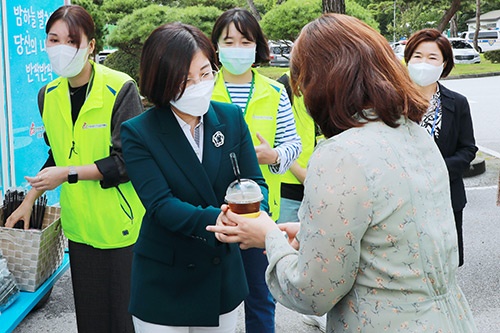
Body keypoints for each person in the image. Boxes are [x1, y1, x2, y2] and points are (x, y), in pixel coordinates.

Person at [207, 13, 478, 333]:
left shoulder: (339, 155)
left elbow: (312, 292)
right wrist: (312, 232)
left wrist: (270, 236)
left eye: (302, 81)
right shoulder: (413, 133)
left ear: (321, 82)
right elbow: (387, 236)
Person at [119, 22, 269, 333]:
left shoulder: (230, 118)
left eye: (205, 73)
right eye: (184, 80)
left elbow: (256, 183)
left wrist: (255, 213)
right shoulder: (138, 132)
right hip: (164, 277)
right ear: (161, 83)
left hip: (220, 272)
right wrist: (225, 221)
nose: (198, 85)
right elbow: (161, 205)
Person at [5, 5, 145, 333]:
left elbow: (127, 163)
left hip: (119, 227)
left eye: (71, 41)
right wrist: (29, 199)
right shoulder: (48, 95)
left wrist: (68, 174)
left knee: (124, 322)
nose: (61, 49)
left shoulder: (120, 88)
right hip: (79, 228)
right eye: (54, 40)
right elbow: (59, 155)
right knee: (92, 321)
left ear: (91, 45)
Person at [210, 8, 301, 333]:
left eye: (244, 41)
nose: (236, 48)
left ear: (257, 46)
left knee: (261, 301)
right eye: (228, 41)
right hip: (212, 212)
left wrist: (272, 154)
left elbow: (294, 144)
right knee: (213, 302)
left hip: (262, 216)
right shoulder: (202, 90)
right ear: (216, 46)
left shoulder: (275, 92)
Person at [404, 28, 478, 267]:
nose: (424, 62)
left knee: (444, 264)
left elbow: (468, 149)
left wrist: (437, 171)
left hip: (446, 198)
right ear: (408, 59)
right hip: (402, 200)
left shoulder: (457, 103)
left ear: (443, 63)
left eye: (432, 57)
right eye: (417, 56)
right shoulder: (392, 101)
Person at [276, 71, 326, 332]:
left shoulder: (335, 80)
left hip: (325, 183)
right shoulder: (285, 85)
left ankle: (318, 311)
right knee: (281, 254)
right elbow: (277, 138)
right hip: (290, 185)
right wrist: (301, 172)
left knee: (322, 253)